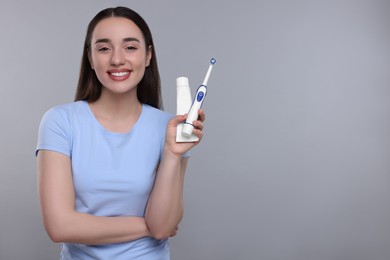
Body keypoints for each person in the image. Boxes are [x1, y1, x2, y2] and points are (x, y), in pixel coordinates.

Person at [36, 6, 205, 259]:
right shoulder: (60, 122)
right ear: (91, 58)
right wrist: (147, 226)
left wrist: (172, 153)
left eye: (130, 47)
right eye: (104, 48)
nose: (117, 59)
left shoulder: (172, 128)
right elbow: (59, 226)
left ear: (148, 56)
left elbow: (164, 223)